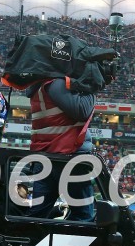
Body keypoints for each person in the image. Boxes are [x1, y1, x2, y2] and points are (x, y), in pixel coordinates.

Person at [24, 75, 96, 221]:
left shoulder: (38, 86)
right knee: (84, 218)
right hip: (67, 157)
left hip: (47, 157)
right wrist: (93, 84)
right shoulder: (56, 84)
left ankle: (33, 241)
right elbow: (83, 110)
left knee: (37, 216)